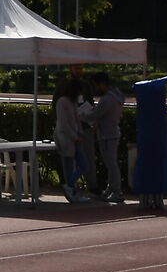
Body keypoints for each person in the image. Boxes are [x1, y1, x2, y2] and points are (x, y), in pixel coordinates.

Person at [51, 72, 91, 201]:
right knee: (70, 165)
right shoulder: (62, 102)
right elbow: (64, 123)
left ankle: (70, 186)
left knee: (82, 164)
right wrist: (75, 136)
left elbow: (77, 120)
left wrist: (80, 133)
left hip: (74, 137)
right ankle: (70, 188)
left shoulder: (73, 102)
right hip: (65, 138)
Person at [92, 73, 128, 203]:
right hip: (113, 132)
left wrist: (81, 115)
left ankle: (117, 191)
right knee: (112, 163)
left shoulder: (107, 99)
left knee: (111, 164)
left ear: (101, 84)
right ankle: (111, 188)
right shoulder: (117, 95)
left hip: (106, 134)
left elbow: (95, 114)